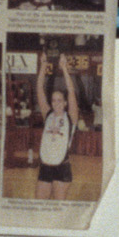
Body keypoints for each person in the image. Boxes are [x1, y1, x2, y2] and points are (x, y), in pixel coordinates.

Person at [34, 53, 79, 200]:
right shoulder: (47, 114)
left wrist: (64, 68)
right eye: (54, 100)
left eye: (60, 100)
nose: (56, 103)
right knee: (39, 206)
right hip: (45, 166)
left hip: (62, 167)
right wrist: (43, 65)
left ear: (65, 103)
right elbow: (39, 88)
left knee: (58, 207)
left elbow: (71, 91)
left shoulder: (71, 117)